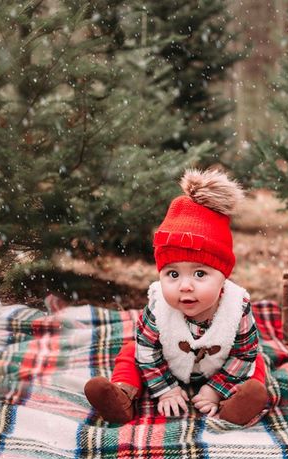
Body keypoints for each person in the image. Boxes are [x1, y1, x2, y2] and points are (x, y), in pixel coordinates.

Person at [84, 169, 268, 426]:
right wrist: (165, 389)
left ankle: (236, 403)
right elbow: (147, 351)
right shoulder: (158, 305)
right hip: (168, 364)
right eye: (172, 273)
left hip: (221, 366)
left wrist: (213, 389)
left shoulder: (237, 306)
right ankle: (122, 395)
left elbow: (243, 353)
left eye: (200, 273)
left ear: (223, 275)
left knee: (256, 361)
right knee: (131, 351)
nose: (185, 286)